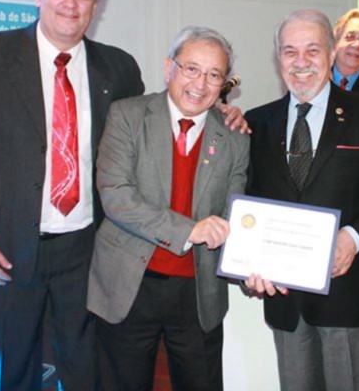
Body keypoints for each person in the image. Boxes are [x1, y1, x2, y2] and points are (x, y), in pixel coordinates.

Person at [0, 0, 144, 390]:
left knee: (84, 368)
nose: (70, 2)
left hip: (87, 250)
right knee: (15, 370)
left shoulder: (119, 69)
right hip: (8, 249)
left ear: (96, 2)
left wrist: (217, 114)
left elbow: (148, 135)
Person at [244, 9, 359, 391]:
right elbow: (251, 201)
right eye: (290, 51)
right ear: (278, 57)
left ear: (331, 52)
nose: (301, 62)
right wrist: (250, 265)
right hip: (285, 299)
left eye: (312, 50)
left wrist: (353, 238)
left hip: (349, 295)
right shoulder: (258, 123)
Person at [87, 26, 249, 391]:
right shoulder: (126, 115)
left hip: (198, 292)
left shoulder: (235, 136)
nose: (200, 84)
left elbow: (234, 213)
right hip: (128, 285)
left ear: (224, 83)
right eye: (191, 68)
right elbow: (115, 195)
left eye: (214, 75)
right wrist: (189, 230)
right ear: (168, 68)